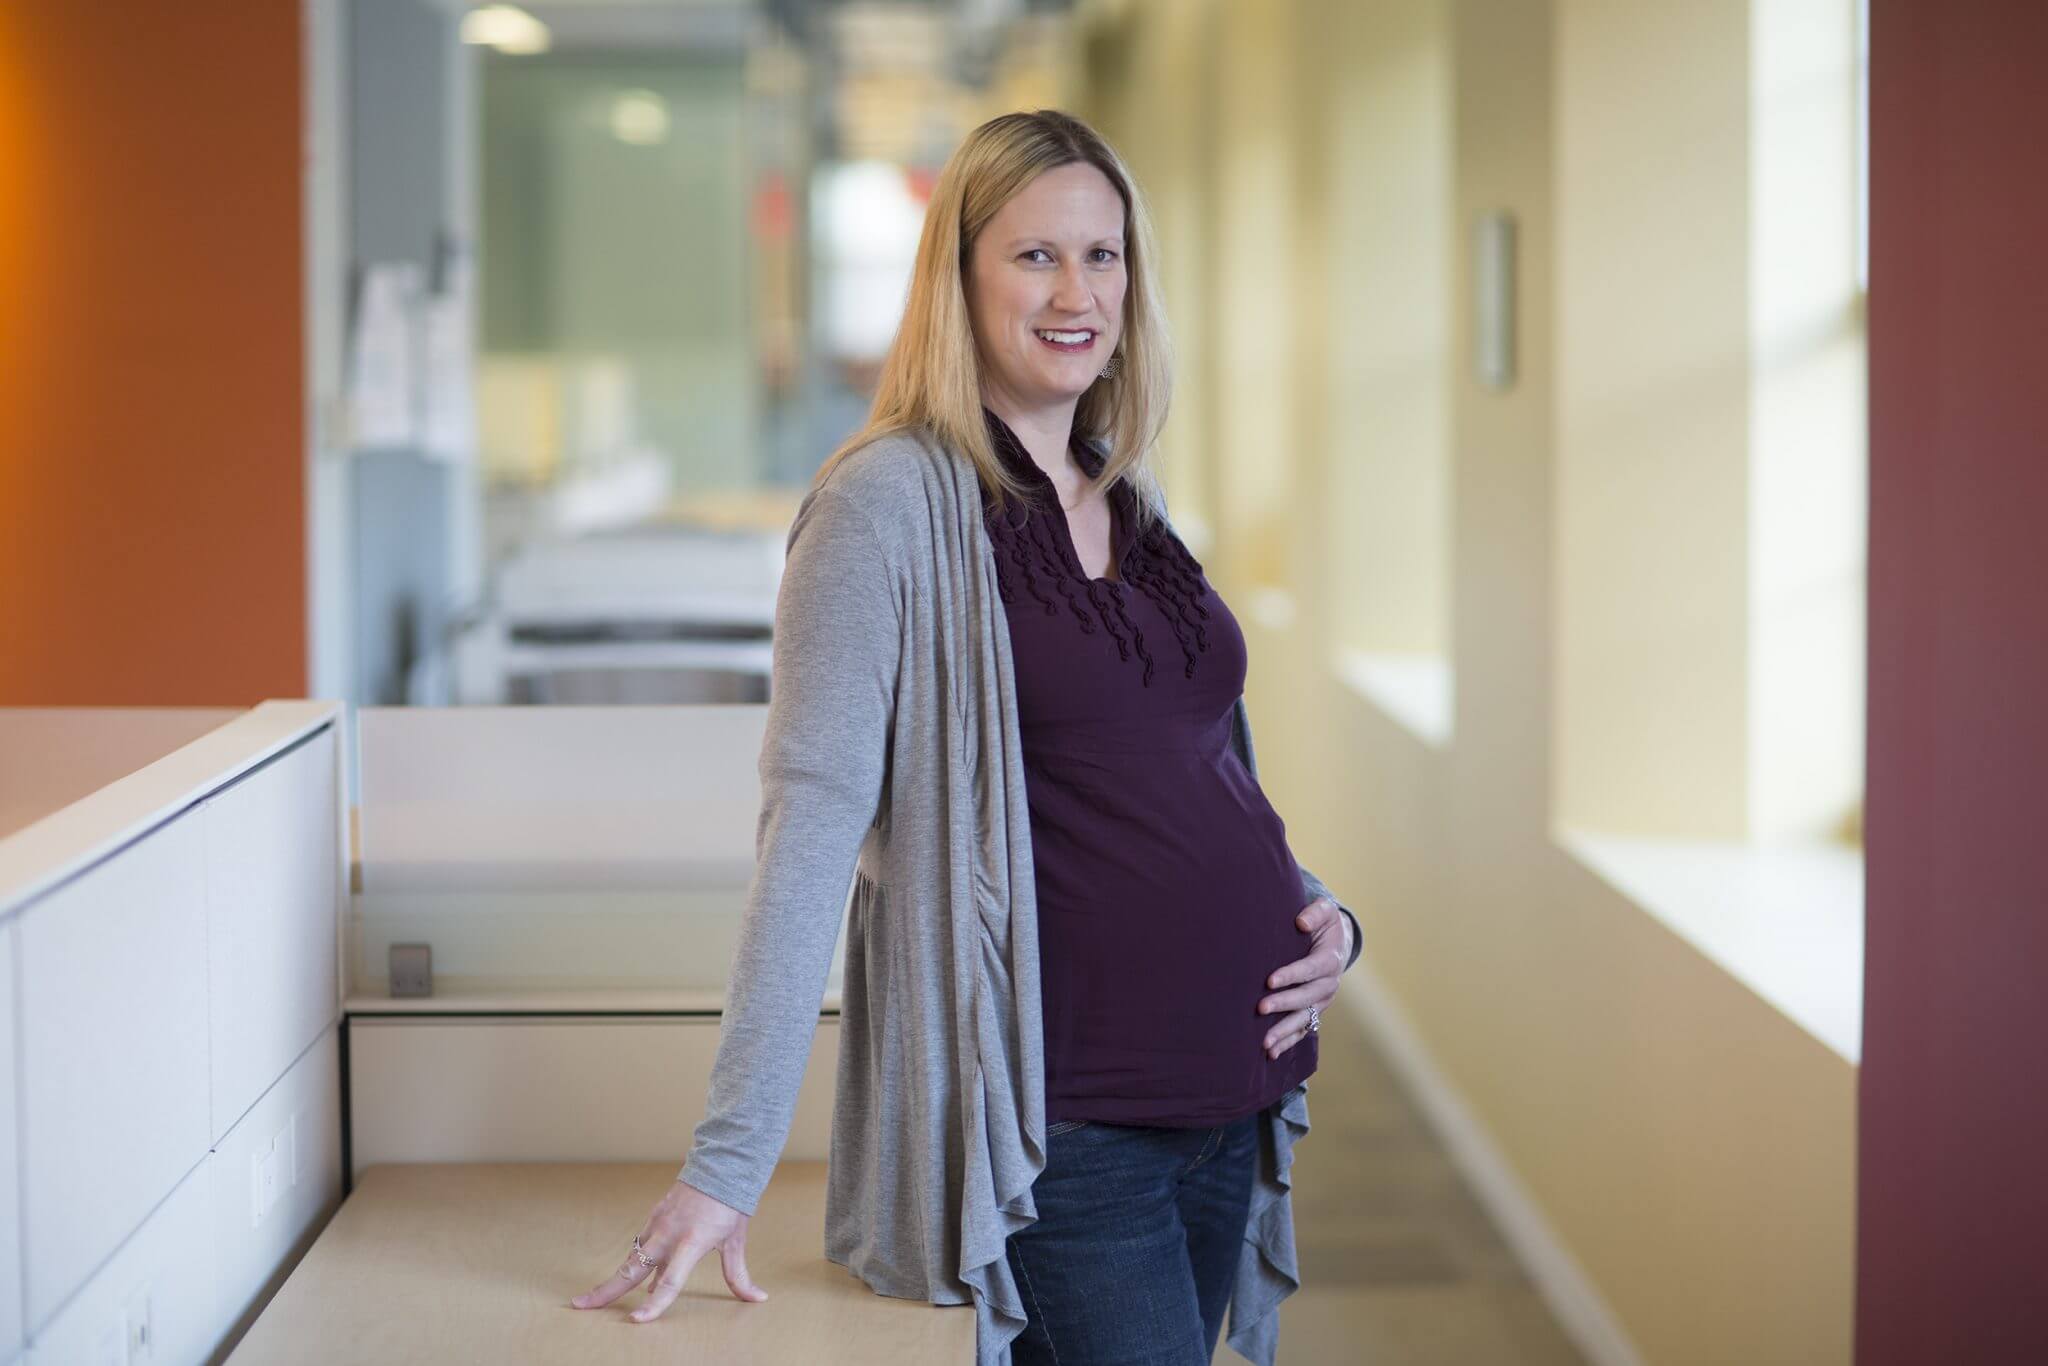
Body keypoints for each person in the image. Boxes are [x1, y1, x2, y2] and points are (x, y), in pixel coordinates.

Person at [572, 109, 1361, 1365]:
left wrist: (1319, 914)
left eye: (1102, 257)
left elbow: (1187, 770)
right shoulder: (882, 503)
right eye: (1034, 256)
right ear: (958, 277)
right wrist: (727, 1164)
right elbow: (812, 822)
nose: (1075, 292)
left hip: (1233, 1097)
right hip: (1068, 1129)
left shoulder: (1126, 491)